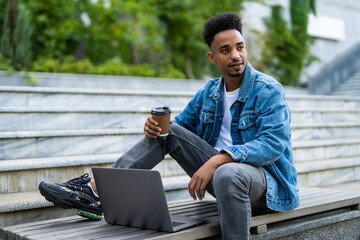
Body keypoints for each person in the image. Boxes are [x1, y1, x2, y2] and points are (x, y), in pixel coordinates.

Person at [39, 12, 299, 239]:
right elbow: (177, 130)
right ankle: (95, 192)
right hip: (222, 179)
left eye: (240, 47)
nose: (235, 55)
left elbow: (272, 144)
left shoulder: (267, 90)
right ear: (212, 57)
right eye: (225, 50)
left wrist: (218, 160)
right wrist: (154, 128)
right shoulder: (210, 93)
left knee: (228, 173)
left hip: (266, 187)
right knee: (168, 132)